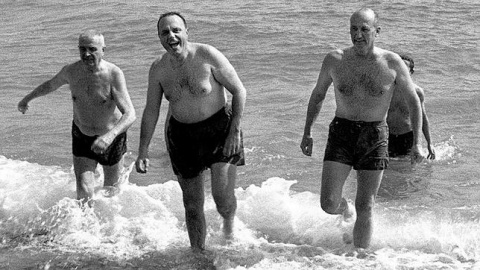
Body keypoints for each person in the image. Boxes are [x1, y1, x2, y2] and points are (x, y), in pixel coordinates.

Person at [300, 8, 424, 250]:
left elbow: (413, 102)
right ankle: (344, 210)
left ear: (377, 31)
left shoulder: (391, 62)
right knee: (327, 203)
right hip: (341, 133)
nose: (358, 35)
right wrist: (307, 132)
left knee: (366, 205)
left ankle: (360, 259)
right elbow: (317, 96)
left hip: (375, 134)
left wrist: (417, 143)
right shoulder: (334, 60)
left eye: (364, 29)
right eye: (353, 29)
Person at [135, 12, 247, 252]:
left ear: (187, 32)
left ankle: (229, 224)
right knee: (192, 205)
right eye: (165, 32)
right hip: (182, 137)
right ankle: (198, 254)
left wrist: (234, 131)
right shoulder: (158, 69)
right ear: (159, 38)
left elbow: (239, 91)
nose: (171, 36)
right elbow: (151, 111)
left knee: (223, 202)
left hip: (219, 130)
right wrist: (142, 149)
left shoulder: (206, 55)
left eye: (176, 30)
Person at [18, 30, 136, 206]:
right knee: (83, 189)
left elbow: (130, 114)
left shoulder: (113, 74)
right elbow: (50, 85)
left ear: (103, 50)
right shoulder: (71, 71)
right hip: (82, 134)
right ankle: (83, 230)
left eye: (92, 49)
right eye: (82, 49)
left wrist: (109, 136)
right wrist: (27, 98)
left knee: (112, 192)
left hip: (111, 138)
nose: (86, 54)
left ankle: (109, 230)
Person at [387, 54, 435, 159]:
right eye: (398, 68)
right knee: (386, 170)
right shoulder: (385, 90)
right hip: (387, 136)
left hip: (407, 136)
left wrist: (429, 143)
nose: (400, 71)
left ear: (411, 72)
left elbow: (423, 119)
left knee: (408, 171)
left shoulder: (417, 92)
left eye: (404, 68)